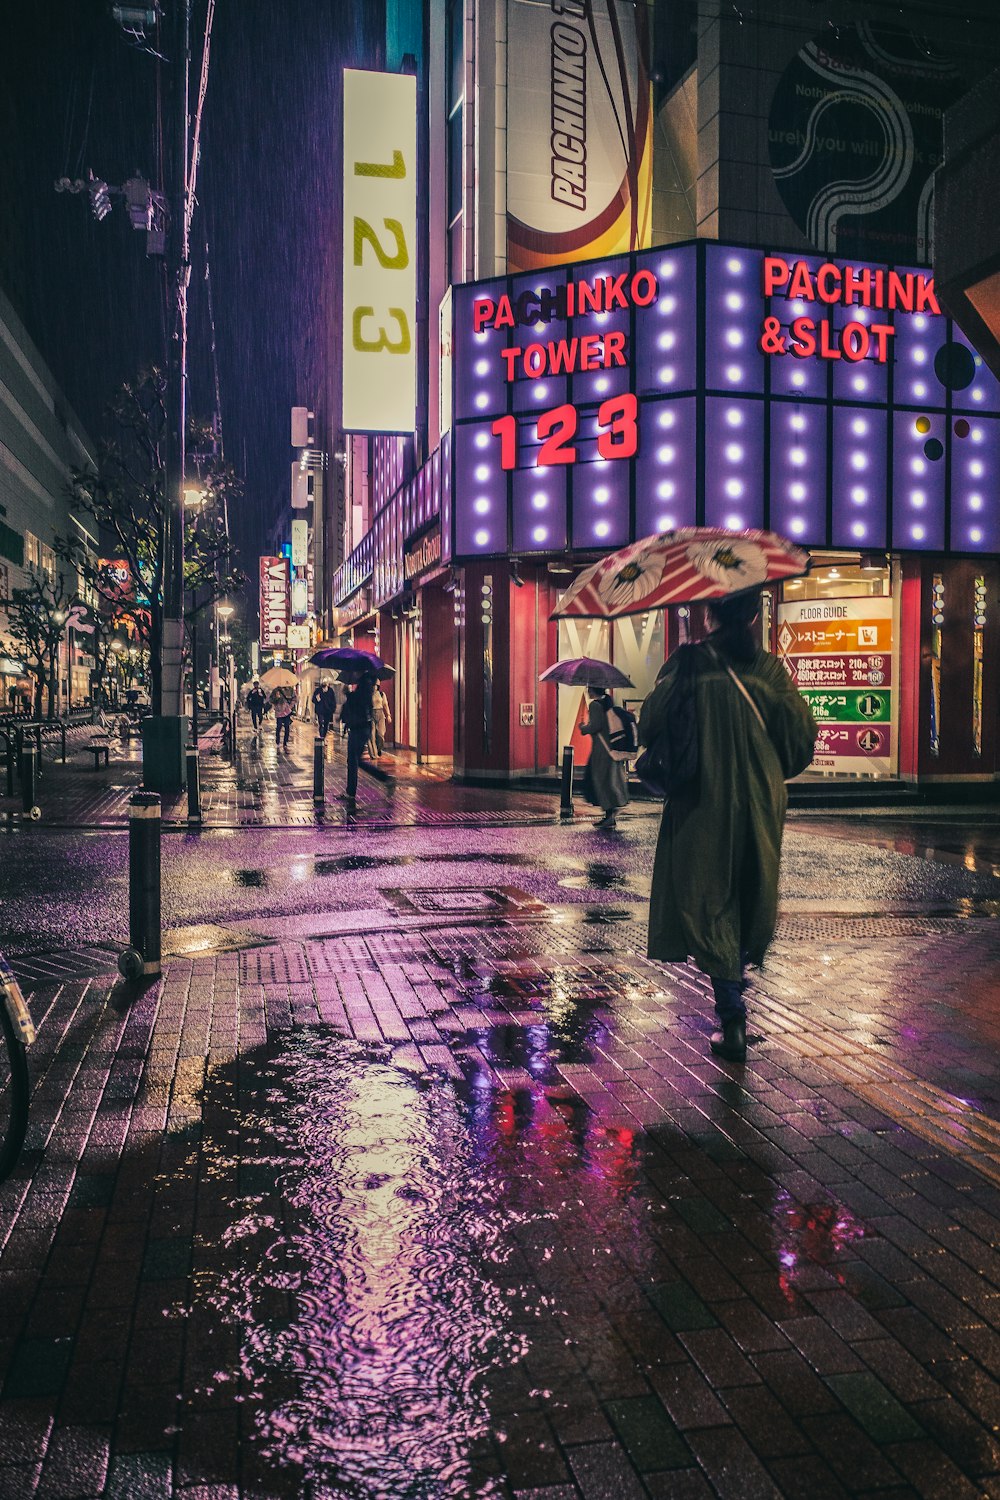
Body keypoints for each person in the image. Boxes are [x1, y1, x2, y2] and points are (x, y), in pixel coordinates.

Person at [639, 589, 817, 1063]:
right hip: (761, 800)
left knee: (708, 901)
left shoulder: (690, 663)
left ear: (708, 613)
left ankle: (732, 1014)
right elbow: (800, 744)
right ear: (756, 615)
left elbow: (649, 725)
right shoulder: (771, 670)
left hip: (702, 803)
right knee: (750, 893)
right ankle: (738, 987)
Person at [579, 685, 629, 828]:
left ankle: (609, 814)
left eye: (588, 689)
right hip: (611, 749)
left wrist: (583, 728)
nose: (587, 691)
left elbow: (595, 726)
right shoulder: (608, 702)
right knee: (610, 779)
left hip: (601, 751)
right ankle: (611, 813)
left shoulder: (595, 705)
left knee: (601, 780)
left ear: (593, 690)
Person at [339, 674, 375, 803]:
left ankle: (351, 792)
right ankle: (350, 791)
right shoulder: (368, 689)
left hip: (357, 729)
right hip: (362, 728)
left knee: (353, 761)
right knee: (355, 761)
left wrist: (348, 693)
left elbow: (356, 703)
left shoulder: (363, 689)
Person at [271, 684, 295, 749]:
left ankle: (285, 742)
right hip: (279, 711)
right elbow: (271, 700)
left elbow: (294, 698)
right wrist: (276, 698)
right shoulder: (276, 690)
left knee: (287, 727)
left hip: (287, 711)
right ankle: (278, 741)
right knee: (279, 727)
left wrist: (290, 706)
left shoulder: (290, 690)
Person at [372, 680, 392, 756]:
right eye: (373, 685)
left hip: (380, 714)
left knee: (381, 734)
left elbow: (385, 705)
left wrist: (388, 715)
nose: (374, 687)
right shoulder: (369, 694)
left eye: (376, 685)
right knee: (373, 735)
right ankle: (374, 752)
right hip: (372, 713)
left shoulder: (381, 694)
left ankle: (379, 748)